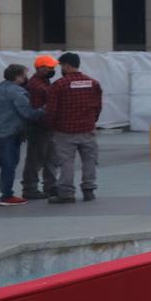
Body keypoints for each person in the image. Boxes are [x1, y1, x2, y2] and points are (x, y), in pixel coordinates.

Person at [0, 63, 42, 207]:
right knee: (8, 164)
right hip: (6, 132)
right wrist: (45, 109)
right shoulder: (17, 92)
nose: (26, 77)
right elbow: (28, 113)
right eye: (25, 74)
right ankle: (6, 195)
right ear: (18, 77)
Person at [47, 52, 103, 204]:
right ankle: (89, 190)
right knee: (89, 160)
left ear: (66, 65)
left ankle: (66, 193)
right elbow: (98, 107)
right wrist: (92, 121)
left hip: (65, 131)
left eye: (61, 65)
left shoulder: (58, 85)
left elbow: (51, 110)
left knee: (66, 162)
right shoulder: (93, 83)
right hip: (87, 129)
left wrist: (52, 126)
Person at [20, 55, 59, 202]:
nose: (52, 70)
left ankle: (50, 186)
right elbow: (36, 110)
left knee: (50, 158)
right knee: (36, 159)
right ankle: (30, 188)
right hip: (39, 128)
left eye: (53, 67)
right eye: (49, 67)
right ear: (40, 68)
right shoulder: (36, 86)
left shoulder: (44, 82)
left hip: (46, 127)